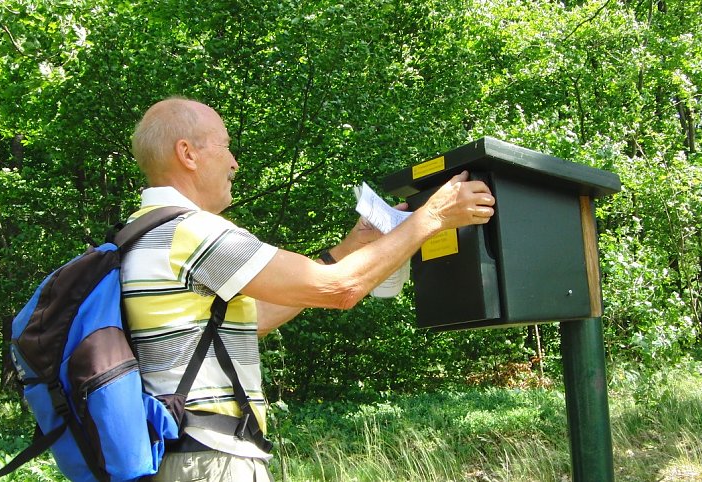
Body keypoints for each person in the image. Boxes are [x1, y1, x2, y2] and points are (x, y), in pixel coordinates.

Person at [123, 97, 495, 481]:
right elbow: (342, 289)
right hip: (209, 460)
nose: (234, 162)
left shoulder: (141, 232)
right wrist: (433, 216)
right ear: (187, 154)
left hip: (178, 455)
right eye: (225, 146)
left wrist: (348, 249)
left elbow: (255, 319)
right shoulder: (192, 232)